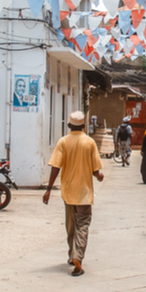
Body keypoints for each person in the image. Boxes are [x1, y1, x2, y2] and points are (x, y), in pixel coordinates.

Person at [44, 111, 104, 276]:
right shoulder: (90, 142)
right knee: (82, 225)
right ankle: (77, 256)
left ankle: (72, 255)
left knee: (71, 226)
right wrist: (99, 176)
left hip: (68, 192)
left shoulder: (63, 142)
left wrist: (48, 189)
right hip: (84, 193)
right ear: (84, 126)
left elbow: (56, 166)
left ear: (69, 125)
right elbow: (96, 170)